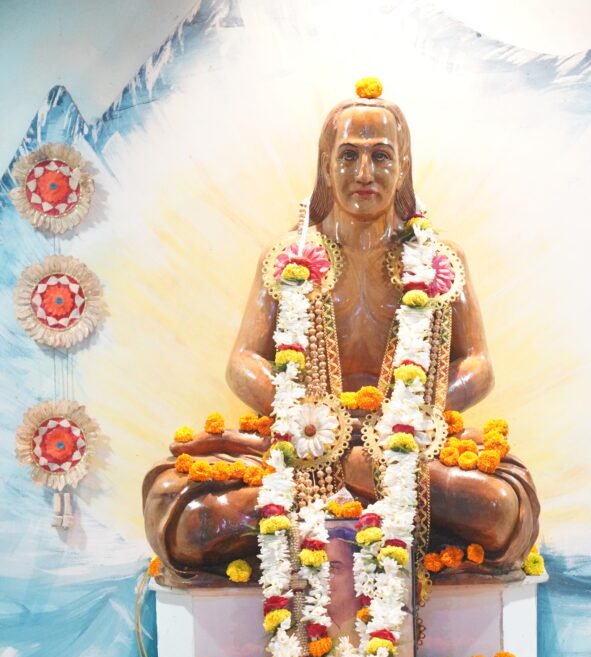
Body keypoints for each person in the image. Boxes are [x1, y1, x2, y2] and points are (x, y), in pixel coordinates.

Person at [143, 83, 539, 580]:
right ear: (326, 165)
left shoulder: (438, 259)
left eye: (381, 156)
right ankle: (351, 487)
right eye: (349, 156)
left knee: (501, 510)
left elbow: (478, 367)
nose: (365, 173)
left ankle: (365, 482)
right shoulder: (288, 257)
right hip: (303, 445)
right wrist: (314, 418)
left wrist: (399, 421)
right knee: (190, 521)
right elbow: (243, 361)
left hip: (408, 449)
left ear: (404, 165)